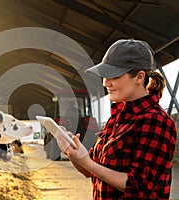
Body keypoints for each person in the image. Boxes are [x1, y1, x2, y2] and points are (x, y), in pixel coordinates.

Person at [56, 38, 177, 199]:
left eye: (113, 76)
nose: (106, 83)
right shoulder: (117, 119)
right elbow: (92, 171)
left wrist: (87, 162)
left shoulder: (156, 121)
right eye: (104, 76)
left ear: (139, 77)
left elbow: (139, 186)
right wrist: (74, 154)